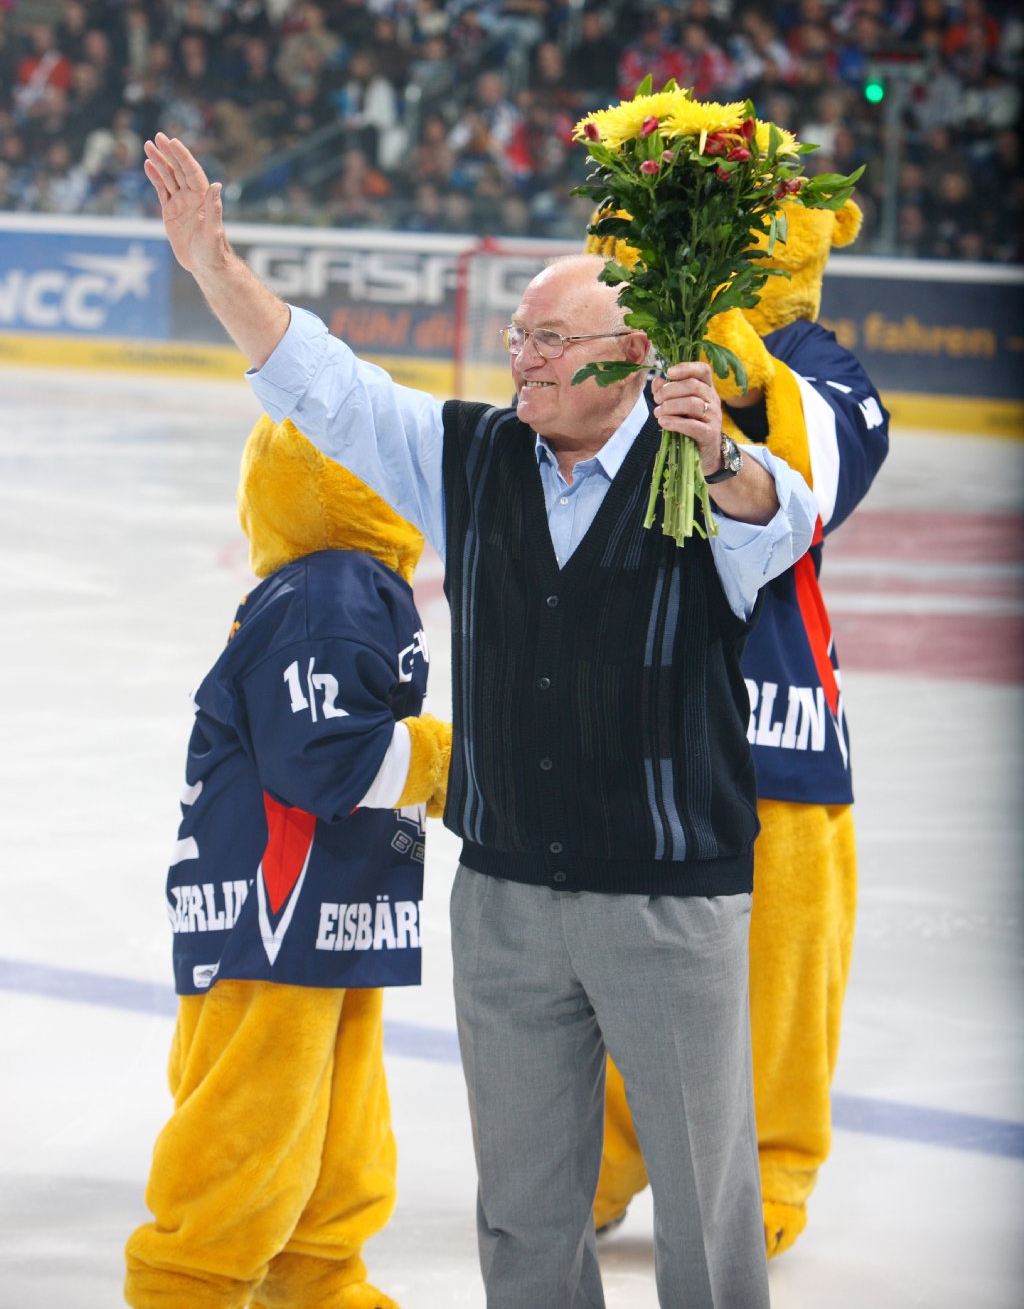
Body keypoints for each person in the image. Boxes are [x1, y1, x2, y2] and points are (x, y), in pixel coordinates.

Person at [143, 131, 819, 1309]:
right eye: (518, 336)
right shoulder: (474, 457)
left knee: (706, 1219)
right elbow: (328, 386)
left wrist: (718, 451)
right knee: (522, 1213)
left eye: (549, 341)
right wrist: (217, 270)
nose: (522, 357)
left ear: (633, 356)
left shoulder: (699, 479)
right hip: (505, 901)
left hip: (667, 903)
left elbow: (779, 518)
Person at [586, 200, 889, 1258]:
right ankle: (612, 1147)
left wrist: (748, 370)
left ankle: (766, 1156)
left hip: (780, 703)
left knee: (783, 948)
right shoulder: (638, 330)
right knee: (623, 941)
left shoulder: (811, 355)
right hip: (643, 696)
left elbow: (839, 465)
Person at [125, 411, 452, 1309]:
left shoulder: (348, 584)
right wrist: (446, 765)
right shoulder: (332, 589)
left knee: (342, 1103)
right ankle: (188, 1281)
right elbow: (326, 758)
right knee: (252, 1107)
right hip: (273, 902)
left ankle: (315, 1272)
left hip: (326, 894)